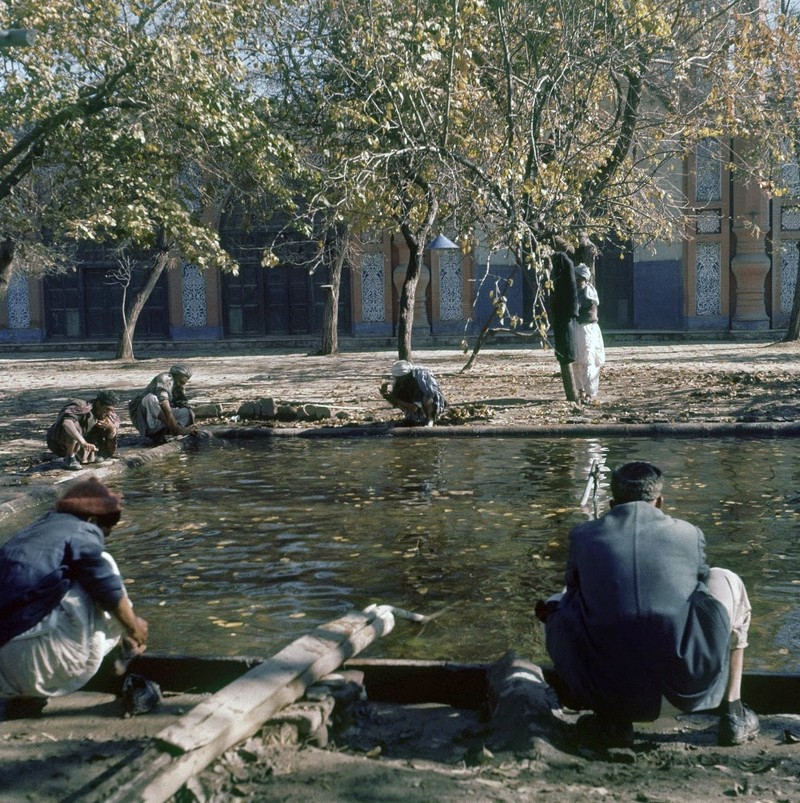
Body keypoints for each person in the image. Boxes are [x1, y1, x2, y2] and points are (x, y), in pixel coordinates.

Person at [538, 461, 759, 748]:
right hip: (685, 694)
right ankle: (733, 711)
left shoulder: (583, 535)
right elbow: (702, 588)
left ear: (612, 503)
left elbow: (573, 593)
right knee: (726, 579)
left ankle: (611, 721)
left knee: (556, 603)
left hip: (608, 693)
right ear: (660, 502)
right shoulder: (688, 533)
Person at [0, 477, 148, 719]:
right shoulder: (82, 529)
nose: (102, 538)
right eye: (104, 532)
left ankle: (24, 696)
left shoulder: (35, 531)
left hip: (4, 675)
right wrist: (134, 626)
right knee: (102, 568)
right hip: (37, 665)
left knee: (60, 583)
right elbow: (105, 583)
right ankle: (124, 652)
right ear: (92, 520)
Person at [46, 390, 120, 471]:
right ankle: (70, 457)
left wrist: (111, 428)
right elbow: (66, 423)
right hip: (59, 444)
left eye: (112, 410)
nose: (109, 413)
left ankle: (89, 455)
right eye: (107, 409)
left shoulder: (108, 414)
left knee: (109, 425)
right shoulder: (81, 406)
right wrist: (83, 442)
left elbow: (112, 434)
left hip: (84, 445)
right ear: (98, 404)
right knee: (74, 425)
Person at [128, 364, 198, 443]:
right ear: (175, 376)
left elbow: (182, 404)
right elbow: (165, 405)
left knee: (187, 412)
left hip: (162, 419)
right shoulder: (165, 378)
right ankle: (175, 429)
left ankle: (169, 432)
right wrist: (175, 427)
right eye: (180, 381)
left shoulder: (179, 387)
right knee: (150, 398)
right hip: (143, 415)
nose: (180, 384)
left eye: (183, 383)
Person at [572, 263, 605, 403]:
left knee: (587, 360)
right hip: (576, 328)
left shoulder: (588, 292)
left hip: (587, 329)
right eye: (576, 279)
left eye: (580, 279)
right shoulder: (575, 291)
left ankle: (589, 393)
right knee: (576, 361)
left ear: (585, 279)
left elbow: (576, 307)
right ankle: (579, 390)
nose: (578, 281)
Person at [380, 360, 447, 426]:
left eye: (401, 378)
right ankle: (414, 418)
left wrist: (394, 399)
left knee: (427, 398)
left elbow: (414, 408)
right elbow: (397, 401)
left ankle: (430, 419)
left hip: (430, 406)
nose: (399, 380)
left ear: (407, 375)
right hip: (414, 410)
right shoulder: (399, 383)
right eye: (397, 378)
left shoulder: (416, 383)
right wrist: (385, 394)